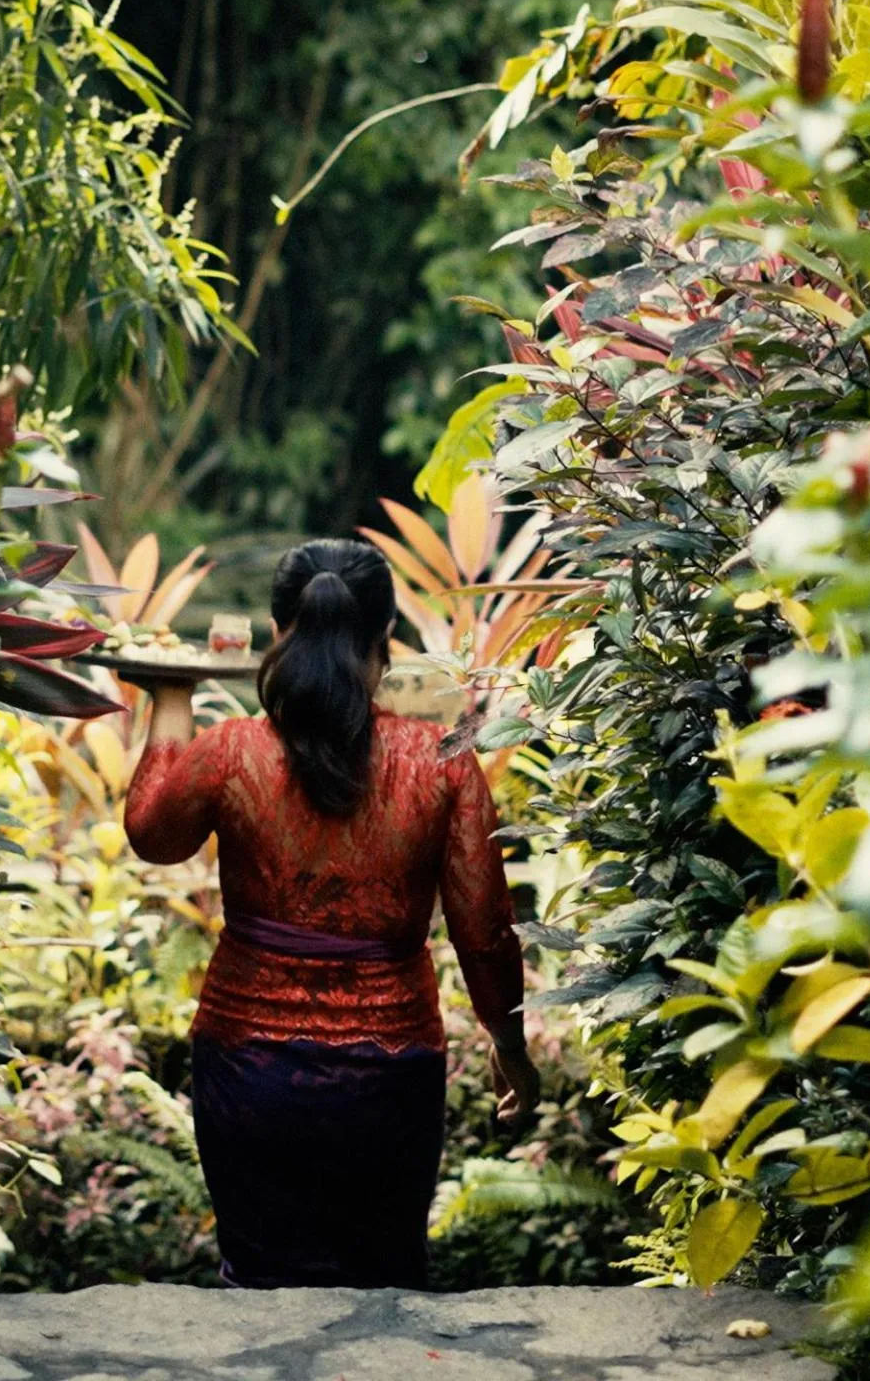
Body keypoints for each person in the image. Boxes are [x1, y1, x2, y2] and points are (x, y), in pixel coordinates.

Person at [124, 537, 538, 1290]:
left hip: (247, 1066)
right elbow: (483, 928)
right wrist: (510, 1045)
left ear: (281, 630)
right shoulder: (440, 759)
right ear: (385, 639)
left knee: (256, 1282)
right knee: (386, 1284)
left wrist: (172, 701)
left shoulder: (231, 752)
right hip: (391, 1073)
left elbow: (153, 837)